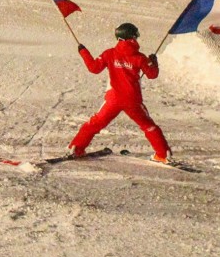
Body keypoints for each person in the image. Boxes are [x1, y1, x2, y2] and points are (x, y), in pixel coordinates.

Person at [69, 22, 171, 162]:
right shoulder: (140, 57)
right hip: (132, 100)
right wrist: (153, 62)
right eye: (135, 36)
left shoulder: (109, 53)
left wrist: (83, 51)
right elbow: (152, 74)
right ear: (132, 37)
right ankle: (162, 154)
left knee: (95, 123)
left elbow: (94, 68)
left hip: (113, 100)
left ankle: (76, 148)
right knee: (148, 126)